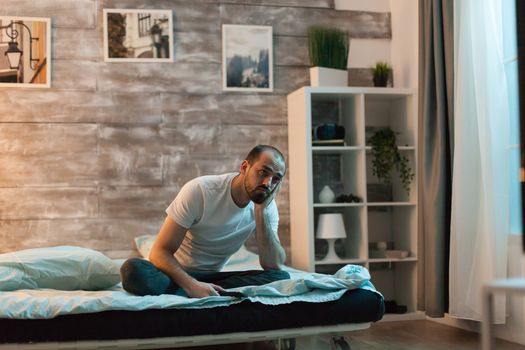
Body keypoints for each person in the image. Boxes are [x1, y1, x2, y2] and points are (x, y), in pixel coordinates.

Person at [120, 145, 290, 298]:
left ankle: (203, 290)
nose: (268, 183)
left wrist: (261, 210)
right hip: (174, 273)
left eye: (276, 179)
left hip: (214, 277)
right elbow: (159, 252)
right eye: (263, 172)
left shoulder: (267, 205)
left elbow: (272, 264)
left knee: (281, 277)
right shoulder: (200, 190)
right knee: (132, 270)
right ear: (245, 167)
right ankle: (195, 290)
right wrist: (191, 285)